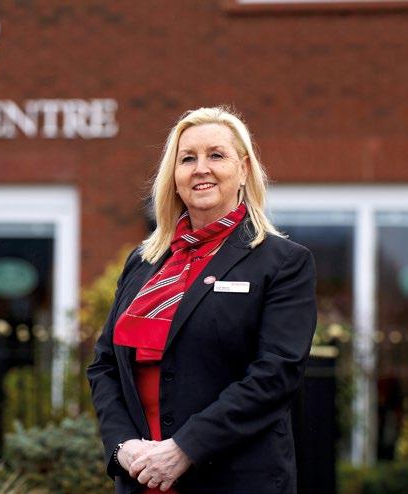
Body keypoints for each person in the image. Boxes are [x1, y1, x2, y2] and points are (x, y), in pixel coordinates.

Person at [87, 106, 317, 494]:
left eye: (216, 155)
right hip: (142, 476)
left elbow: (276, 374)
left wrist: (185, 448)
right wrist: (122, 446)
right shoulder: (143, 262)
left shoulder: (283, 262)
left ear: (243, 170)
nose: (201, 169)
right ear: (174, 176)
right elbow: (105, 364)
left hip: (235, 478)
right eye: (188, 159)